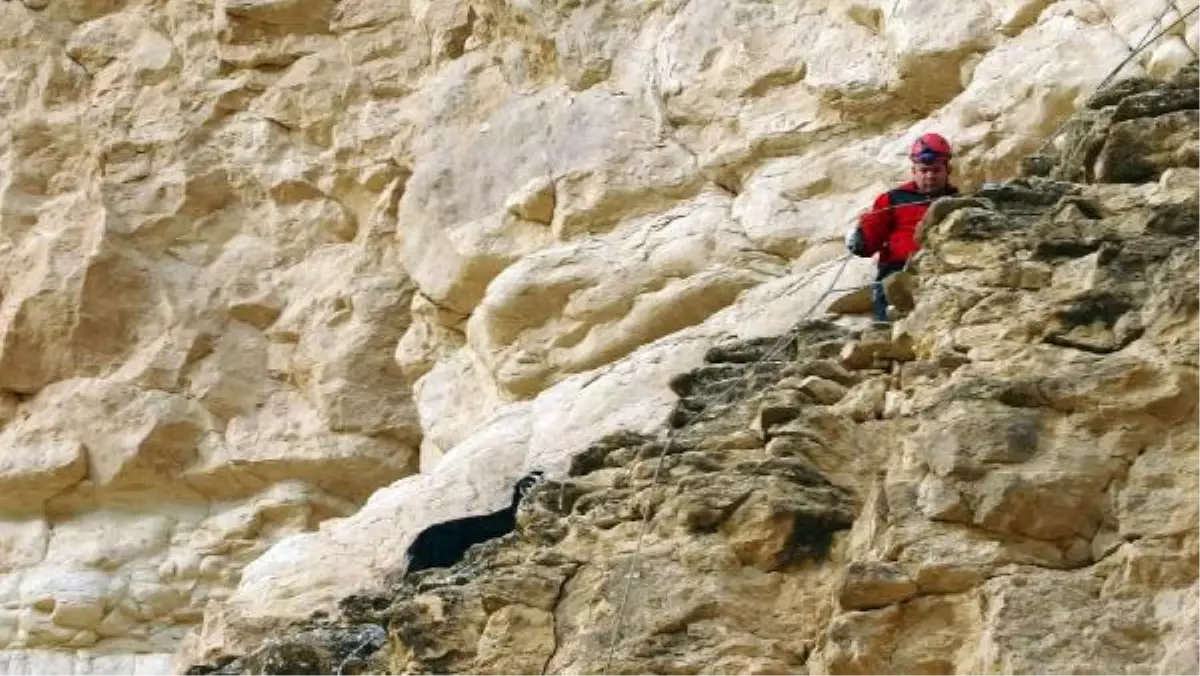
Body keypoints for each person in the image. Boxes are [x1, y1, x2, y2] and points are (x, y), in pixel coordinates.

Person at [845, 133, 959, 322]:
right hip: (896, 275)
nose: (929, 176)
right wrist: (859, 237)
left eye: (936, 170)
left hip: (939, 273)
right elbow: (868, 244)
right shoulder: (893, 200)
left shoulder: (958, 202)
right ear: (914, 171)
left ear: (948, 170)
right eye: (924, 170)